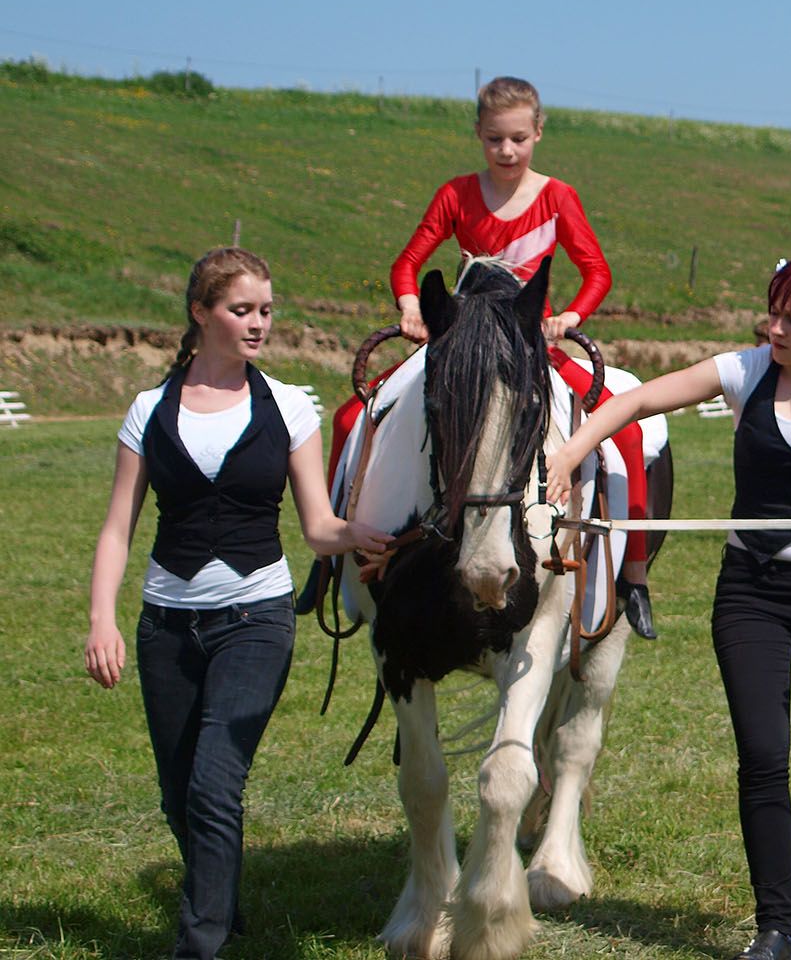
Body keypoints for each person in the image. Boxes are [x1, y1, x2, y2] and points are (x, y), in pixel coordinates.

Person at [547, 257, 791, 960]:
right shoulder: (743, 370)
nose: (775, 327)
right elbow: (637, 403)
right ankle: (773, 927)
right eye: (773, 313)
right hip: (751, 594)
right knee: (763, 757)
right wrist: (572, 448)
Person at [84, 247, 392, 960]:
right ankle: (218, 900)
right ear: (201, 314)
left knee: (216, 782)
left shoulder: (287, 405)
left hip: (256, 619)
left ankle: (200, 944)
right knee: (178, 795)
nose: (259, 324)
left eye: (266, 311)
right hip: (166, 625)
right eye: (242, 310)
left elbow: (318, 526)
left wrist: (360, 536)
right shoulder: (148, 410)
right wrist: (104, 619)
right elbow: (115, 528)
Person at [326, 75, 658, 636]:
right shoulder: (456, 194)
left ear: (538, 134)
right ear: (478, 135)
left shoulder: (557, 197)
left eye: (519, 139)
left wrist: (568, 318)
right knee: (349, 416)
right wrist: (411, 306)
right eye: (495, 140)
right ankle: (332, 560)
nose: (507, 151)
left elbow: (597, 272)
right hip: (463, 345)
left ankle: (635, 578)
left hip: (532, 347)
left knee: (626, 433)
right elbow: (408, 262)